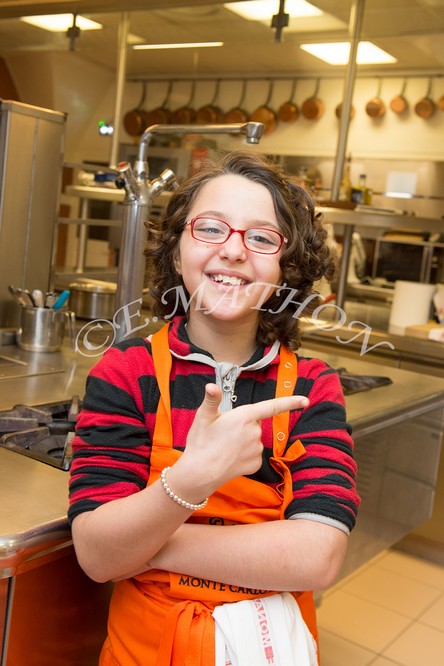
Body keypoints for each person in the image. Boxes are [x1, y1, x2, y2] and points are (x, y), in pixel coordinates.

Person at [68, 151, 360, 665]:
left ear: (287, 268)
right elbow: (96, 556)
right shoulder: (126, 372)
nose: (233, 250)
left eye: (262, 238)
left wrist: (143, 547)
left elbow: (318, 556)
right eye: (209, 229)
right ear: (177, 251)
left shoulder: (312, 387)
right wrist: (192, 479)